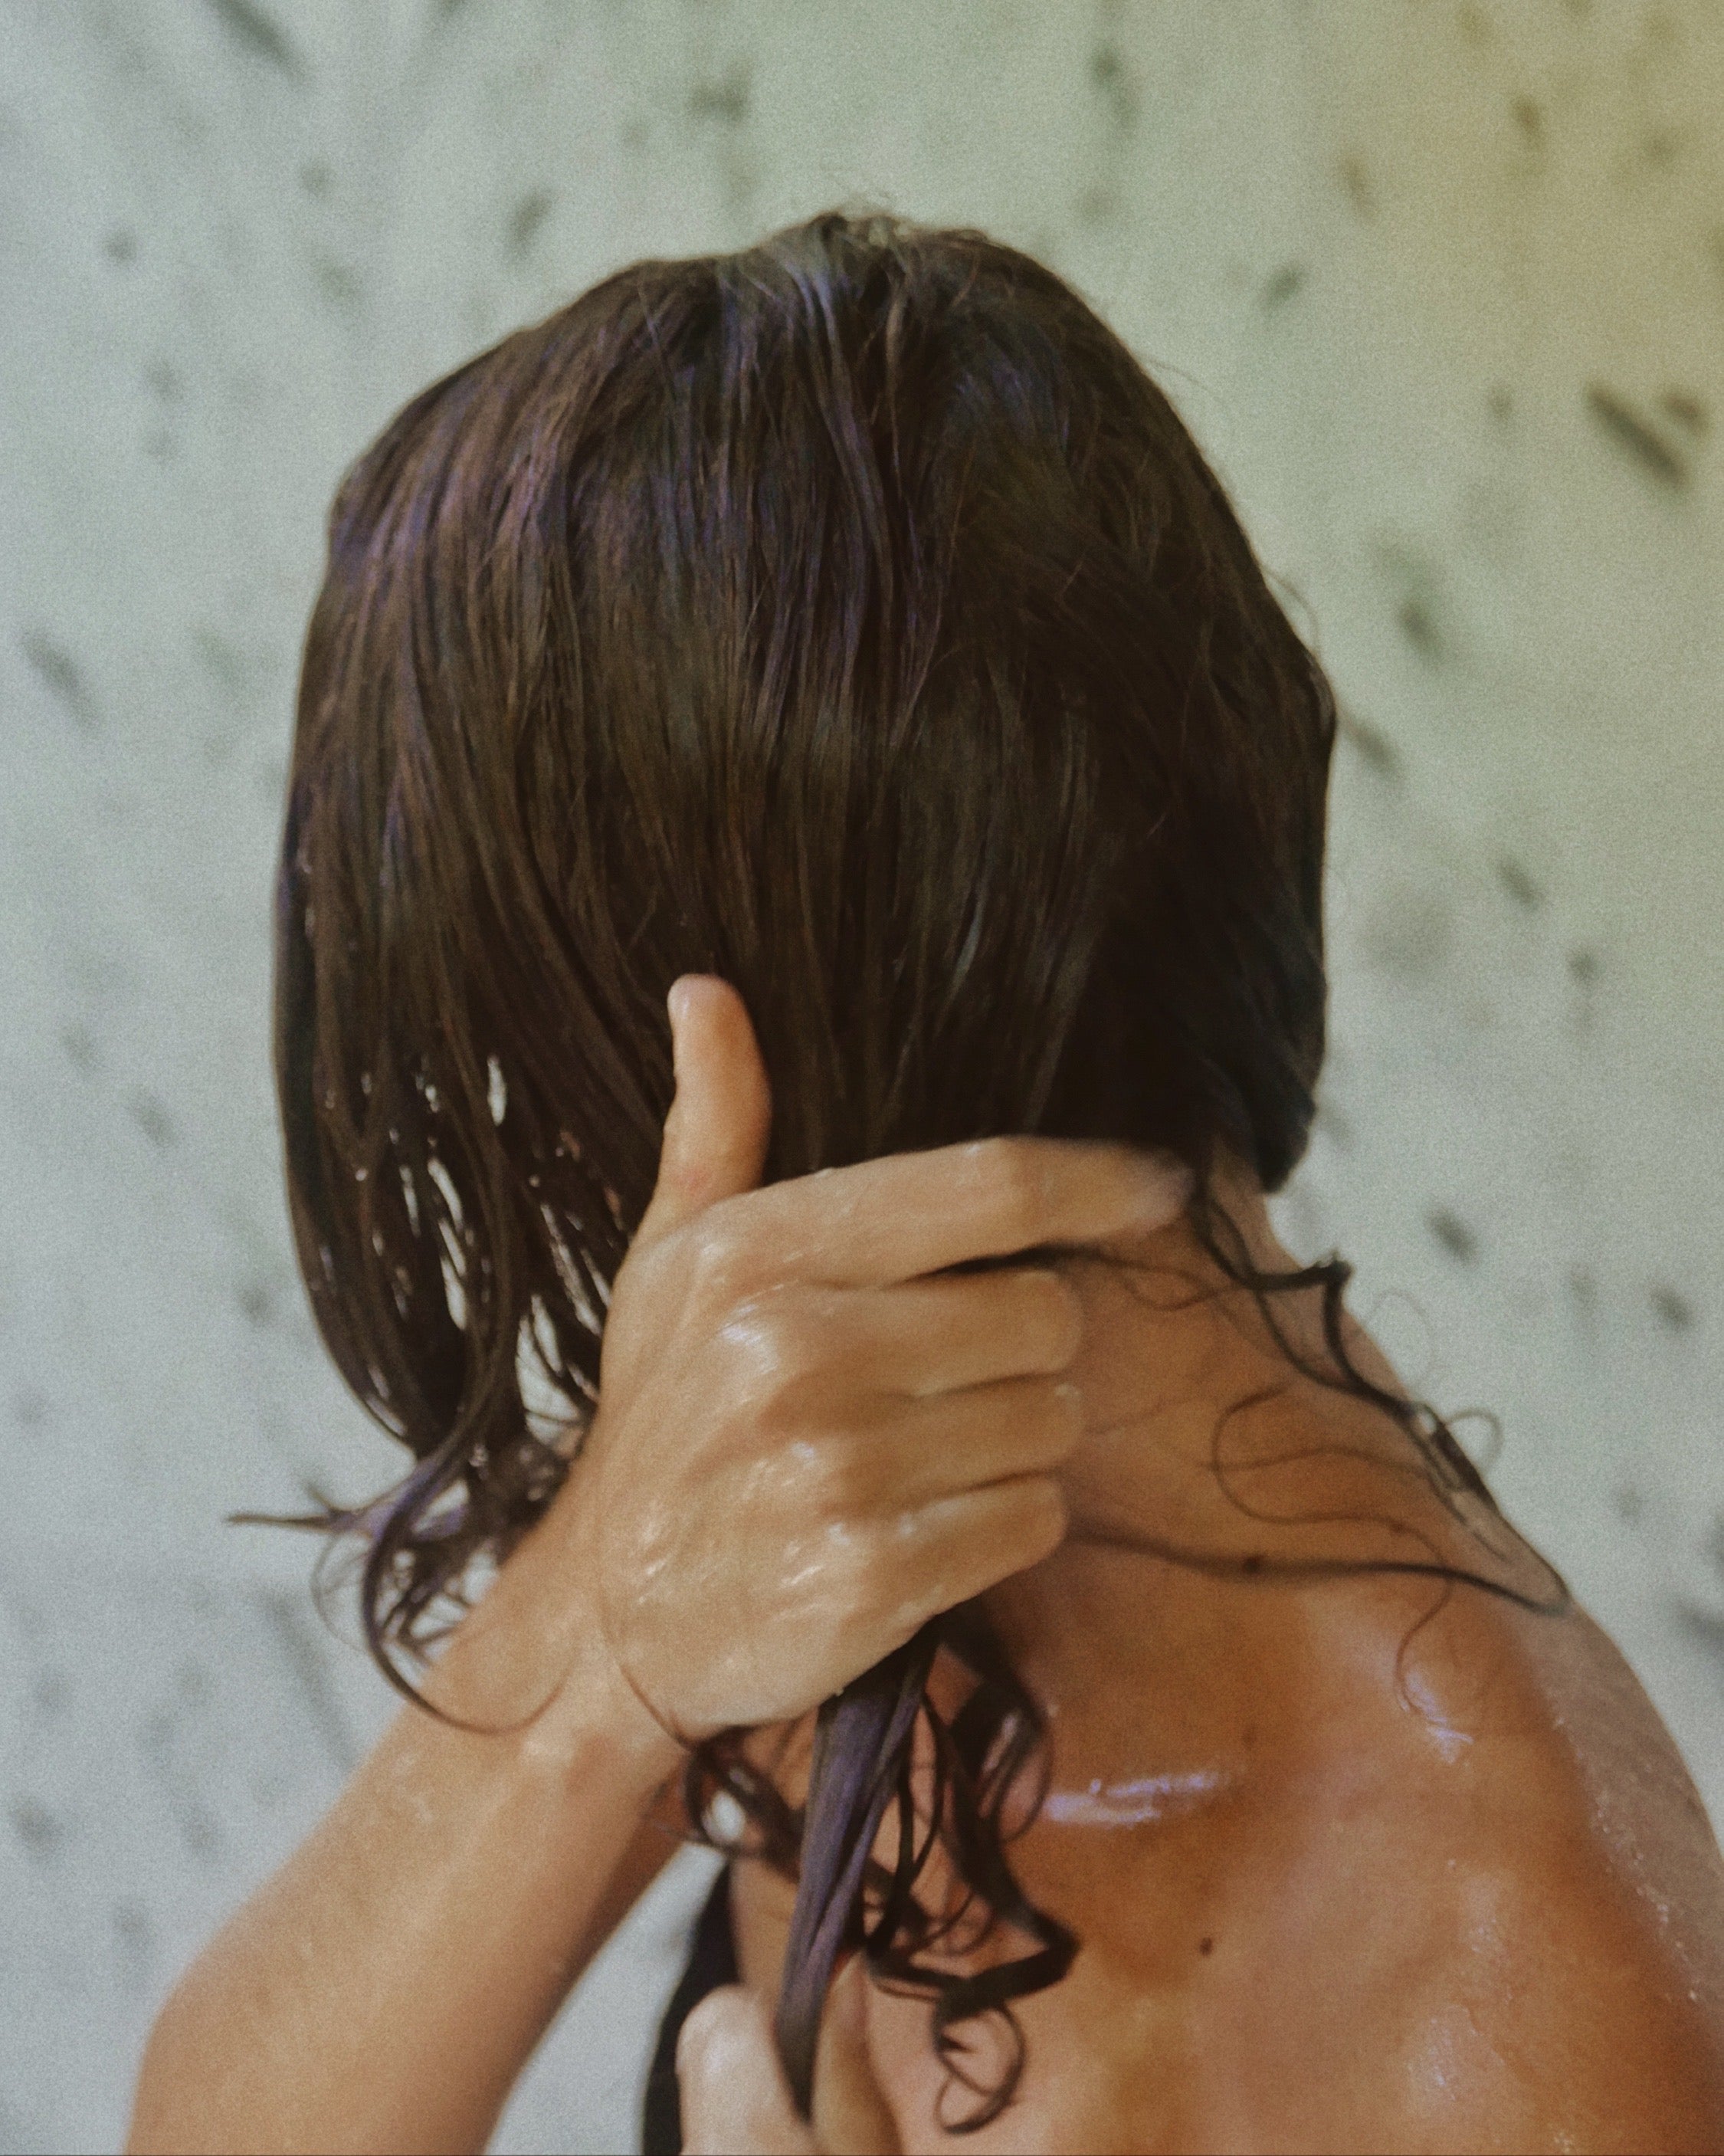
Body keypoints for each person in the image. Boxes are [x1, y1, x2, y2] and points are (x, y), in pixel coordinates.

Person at [127, 212, 1724, 2155]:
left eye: (526, 1073)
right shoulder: (843, 1511)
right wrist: (599, 1649)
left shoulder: (1496, 2007)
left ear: (719, 1062)